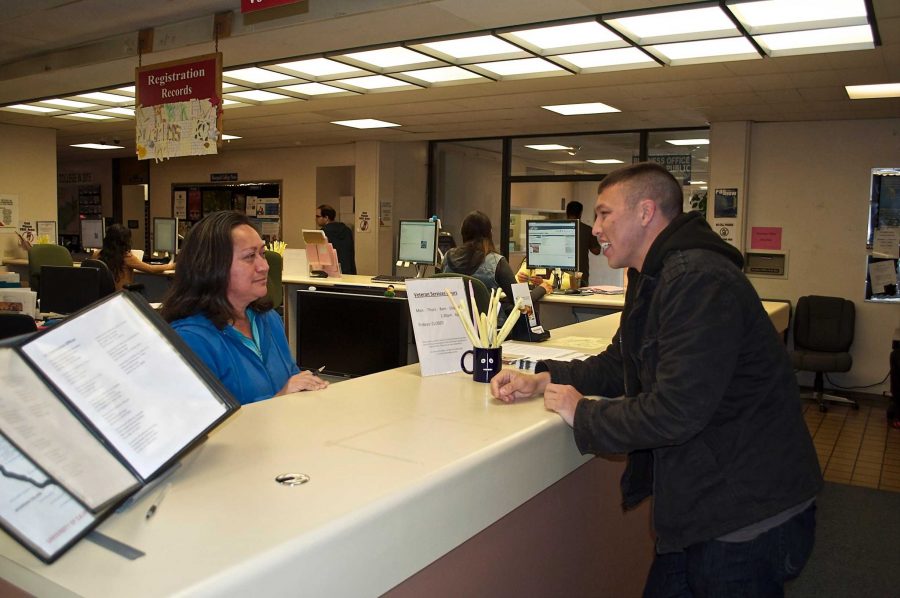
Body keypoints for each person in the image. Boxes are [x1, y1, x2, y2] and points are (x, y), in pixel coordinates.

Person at [491, 162, 822, 596]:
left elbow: (676, 411)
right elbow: (619, 364)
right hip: (704, 510)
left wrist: (583, 413)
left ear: (646, 212)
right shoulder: (653, 277)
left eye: (605, 213)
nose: (596, 229)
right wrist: (543, 376)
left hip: (745, 514)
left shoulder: (696, 280)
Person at [161, 211, 327, 405]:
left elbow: (290, 375)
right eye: (250, 256)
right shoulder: (191, 340)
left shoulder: (269, 319)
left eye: (262, 254)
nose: (264, 266)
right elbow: (205, 426)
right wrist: (279, 398)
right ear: (212, 266)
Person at [442, 210, 517, 322]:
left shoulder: (448, 257)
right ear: (490, 233)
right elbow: (521, 300)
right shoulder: (496, 262)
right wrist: (542, 289)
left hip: (453, 326)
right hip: (489, 332)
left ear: (462, 232)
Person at [94, 223, 174, 291]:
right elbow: (151, 269)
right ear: (124, 241)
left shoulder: (96, 255)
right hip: (122, 296)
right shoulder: (126, 257)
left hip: (103, 298)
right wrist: (172, 266)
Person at [566, 200, 602, 287]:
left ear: (567, 212)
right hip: (580, 276)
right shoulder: (587, 230)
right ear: (580, 213)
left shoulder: (556, 229)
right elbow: (596, 251)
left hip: (561, 276)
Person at [316, 204, 356, 274]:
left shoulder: (323, 233)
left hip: (331, 272)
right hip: (349, 271)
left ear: (326, 218)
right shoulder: (347, 230)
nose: (316, 219)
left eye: (318, 216)